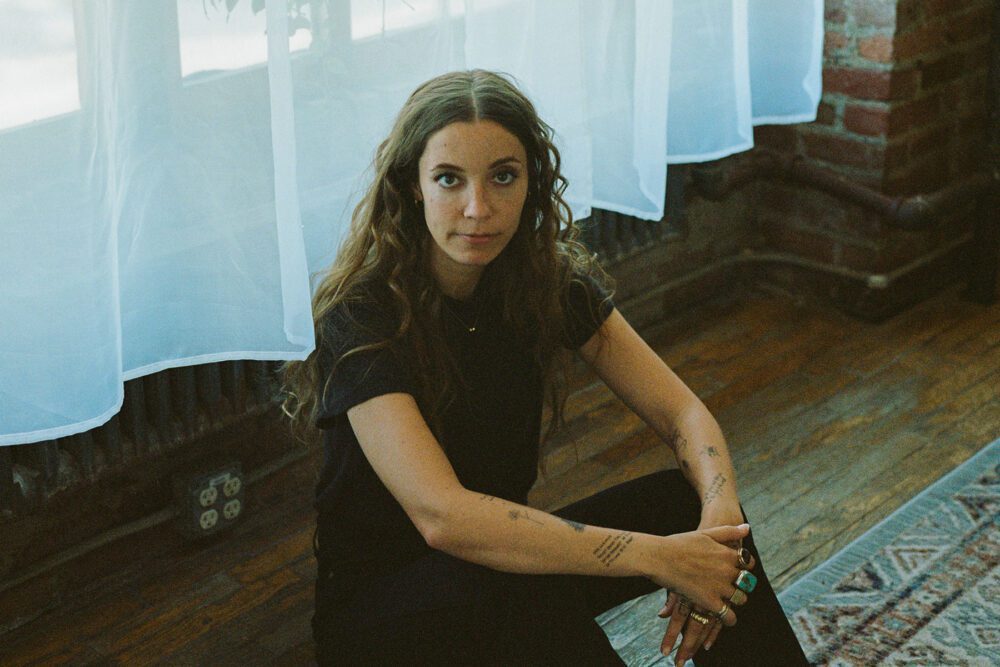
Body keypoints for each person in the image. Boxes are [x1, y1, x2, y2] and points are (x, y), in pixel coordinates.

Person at [281, 69, 807, 666]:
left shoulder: (543, 281)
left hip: (503, 564)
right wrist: (661, 558)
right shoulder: (361, 314)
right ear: (413, 186)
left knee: (693, 513)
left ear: (532, 182)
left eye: (503, 176)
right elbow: (443, 517)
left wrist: (718, 524)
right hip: (388, 614)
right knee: (542, 582)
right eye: (449, 179)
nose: (478, 208)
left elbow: (681, 411)